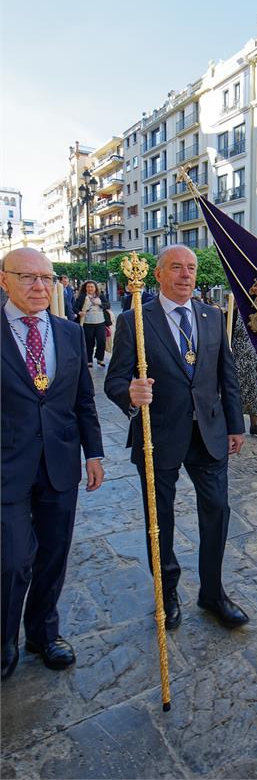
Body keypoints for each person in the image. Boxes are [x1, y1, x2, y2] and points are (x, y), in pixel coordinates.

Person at [105, 245, 248, 629]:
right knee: (160, 519)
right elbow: (115, 379)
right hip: (158, 435)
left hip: (209, 432)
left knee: (217, 512)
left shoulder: (213, 316)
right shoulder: (135, 319)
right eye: (176, 268)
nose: (186, 275)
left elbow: (226, 375)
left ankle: (213, 591)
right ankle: (166, 592)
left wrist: (236, 424)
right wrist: (129, 393)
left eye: (191, 268)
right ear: (158, 274)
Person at [1, 248, 104, 681]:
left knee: (54, 554)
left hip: (60, 463)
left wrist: (94, 452)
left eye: (46, 277)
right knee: (13, 559)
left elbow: (83, 399)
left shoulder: (69, 333)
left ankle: (44, 632)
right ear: (4, 280)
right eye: (27, 277)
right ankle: (5, 640)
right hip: (7, 466)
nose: (40, 286)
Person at [231, 311, 257, 437]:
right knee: (236, 392)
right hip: (236, 359)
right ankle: (235, 425)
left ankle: (254, 425)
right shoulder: (234, 314)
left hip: (253, 360)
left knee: (254, 392)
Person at [74, 280, 110, 368]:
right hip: (87, 322)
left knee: (101, 341)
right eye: (88, 287)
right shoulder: (82, 297)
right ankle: (89, 360)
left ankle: (100, 358)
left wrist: (100, 303)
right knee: (89, 342)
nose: (90, 288)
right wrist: (79, 312)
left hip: (100, 321)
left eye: (92, 287)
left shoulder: (100, 296)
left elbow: (108, 305)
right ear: (85, 288)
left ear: (95, 288)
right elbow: (75, 307)